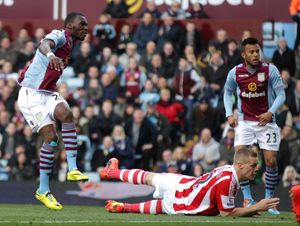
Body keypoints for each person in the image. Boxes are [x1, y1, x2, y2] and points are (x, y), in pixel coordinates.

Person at [17, 12, 89, 210]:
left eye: (87, 25)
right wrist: (49, 54)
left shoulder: (71, 44)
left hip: (48, 92)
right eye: (82, 24)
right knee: (50, 136)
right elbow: (44, 45)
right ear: (70, 26)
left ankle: (73, 168)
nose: (85, 28)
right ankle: (43, 190)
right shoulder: (59, 35)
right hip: (31, 94)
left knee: (67, 114)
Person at [100, 147, 279, 216]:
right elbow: (227, 214)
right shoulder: (229, 181)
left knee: (150, 178)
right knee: (163, 205)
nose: (256, 168)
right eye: (253, 165)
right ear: (239, 165)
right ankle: (119, 190)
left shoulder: (227, 170)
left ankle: (117, 182)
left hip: (185, 185)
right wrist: (256, 207)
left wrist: (247, 211)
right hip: (184, 199)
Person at [223, 37, 286, 215]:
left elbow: (281, 95)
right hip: (244, 121)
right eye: (251, 52)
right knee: (240, 158)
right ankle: (248, 198)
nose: (255, 54)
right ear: (244, 54)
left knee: (271, 161)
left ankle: (269, 201)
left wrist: (271, 112)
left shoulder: (270, 70)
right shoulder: (235, 72)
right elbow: (227, 93)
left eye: (257, 51)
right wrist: (229, 113)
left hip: (266, 121)